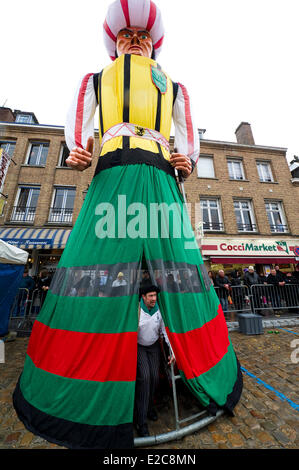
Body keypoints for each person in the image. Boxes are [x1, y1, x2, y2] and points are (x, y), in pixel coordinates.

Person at [13, 0, 242, 450]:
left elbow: (188, 134)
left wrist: (189, 160)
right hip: (113, 169)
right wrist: (77, 150)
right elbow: (79, 122)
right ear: (115, 43)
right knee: (101, 255)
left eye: (142, 36)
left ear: (153, 45)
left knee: (174, 257)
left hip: (160, 173)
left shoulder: (174, 87)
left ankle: (184, 367)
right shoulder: (97, 80)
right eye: (126, 35)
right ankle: (95, 384)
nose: (134, 39)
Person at [135, 282, 174, 437]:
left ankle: (150, 407)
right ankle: (141, 421)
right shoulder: (137, 311)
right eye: (150, 296)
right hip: (140, 348)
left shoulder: (159, 310)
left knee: (155, 379)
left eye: (155, 295)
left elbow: (165, 331)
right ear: (143, 297)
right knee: (145, 378)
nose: (153, 298)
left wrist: (172, 352)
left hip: (153, 347)